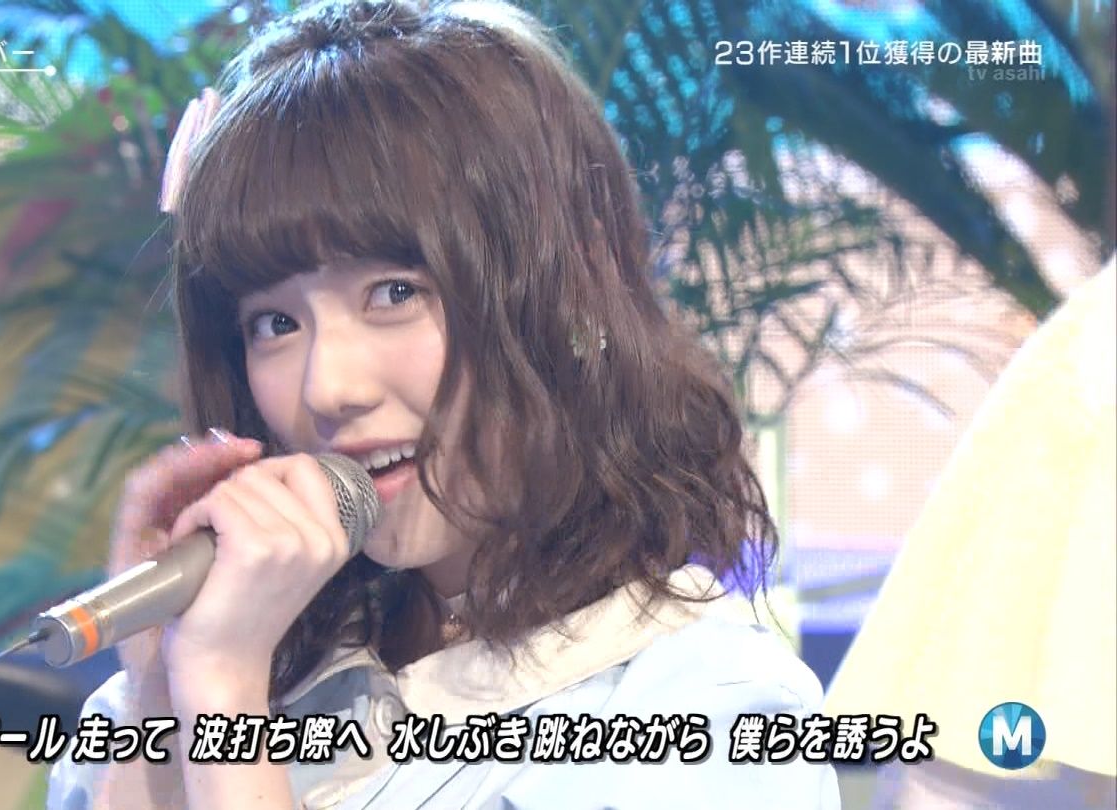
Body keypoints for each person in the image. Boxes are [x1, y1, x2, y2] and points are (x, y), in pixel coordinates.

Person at [49, 0, 838, 807]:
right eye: (275, 323)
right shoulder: (238, 668)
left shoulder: (711, 716)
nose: (328, 389)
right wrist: (163, 679)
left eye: (394, 293)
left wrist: (223, 695)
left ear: (572, 290)